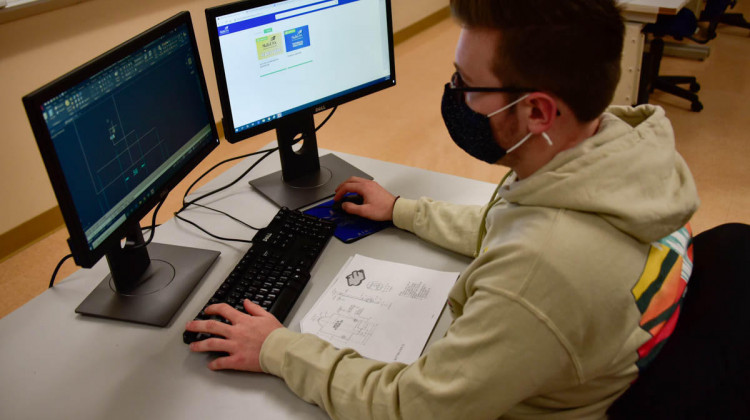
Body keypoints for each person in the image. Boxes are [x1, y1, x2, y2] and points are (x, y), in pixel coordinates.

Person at [186, 0, 700, 418]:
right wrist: (402, 210)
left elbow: (413, 406)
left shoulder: (543, 269)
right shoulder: (611, 150)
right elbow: (507, 223)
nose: (453, 95)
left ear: (538, 110)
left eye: (467, 85)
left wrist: (277, 349)